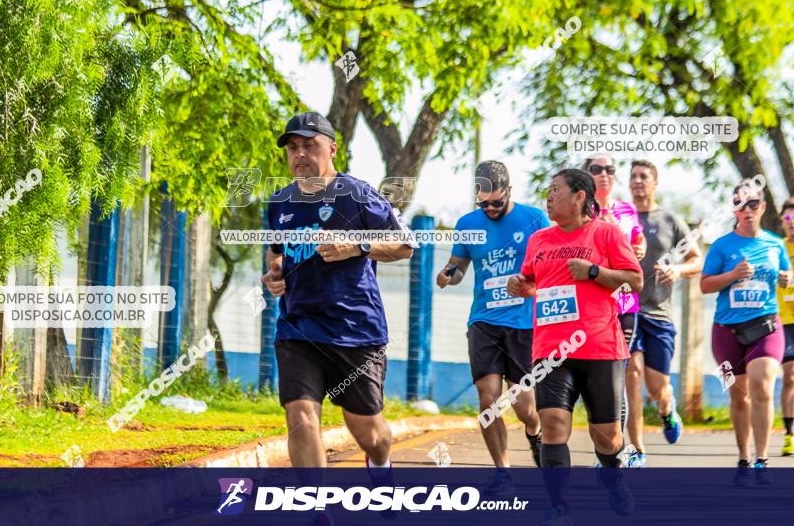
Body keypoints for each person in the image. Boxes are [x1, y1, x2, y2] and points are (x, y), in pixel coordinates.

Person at [261, 111, 415, 474]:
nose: (299, 154)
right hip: (298, 328)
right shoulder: (281, 201)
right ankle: (317, 508)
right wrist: (273, 272)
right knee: (301, 416)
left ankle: (380, 465)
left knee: (369, 433)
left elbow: (405, 245)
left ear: (331, 149)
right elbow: (276, 250)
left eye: (309, 146)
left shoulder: (359, 195)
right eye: (293, 147)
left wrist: (357, 246)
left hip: (354, 329)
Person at [508, 168, 643, 524]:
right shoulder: (539, 240)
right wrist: (522, 285)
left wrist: (595, 272)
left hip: (600, 347)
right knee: (552, 425)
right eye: (548, 190)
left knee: (608, 437)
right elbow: (532, 281)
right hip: (551, 349)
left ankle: (612, 475)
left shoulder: (607, 233)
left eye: (556, 190)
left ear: (580, 196)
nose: (548, 197)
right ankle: (559, 508)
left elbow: (635, 280)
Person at [436, 160, 550, 485]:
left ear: (509, 192)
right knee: (488, 398)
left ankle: (535, 430)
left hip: (523, 323)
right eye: (483, 203)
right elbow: (456, 267)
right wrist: (447, 275)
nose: (490, 209)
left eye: (496, 203)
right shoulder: (467, 224)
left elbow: (549, 267)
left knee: (525, 405)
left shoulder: (534, 219)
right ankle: (502, 471)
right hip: (484, 321)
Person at [700, 182, 791, 483]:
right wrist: (732, 275)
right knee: (738, 396)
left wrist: (785, 279)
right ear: (733, 209)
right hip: (725, 332)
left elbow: (786, 277)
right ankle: (743, 457)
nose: (746, 210)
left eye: (752, 204)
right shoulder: (721, 246)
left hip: (766, 326)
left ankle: (762, 460)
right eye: (739, 204)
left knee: (762, 387)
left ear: (762, 207)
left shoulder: (775, 245)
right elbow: (704, 285)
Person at [625, 159, 702, 466]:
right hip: (627, 311)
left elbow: (697, 259)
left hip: (659, 314)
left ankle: (667, 410)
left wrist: (679, 270)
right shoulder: (620, 219)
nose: (638, 181)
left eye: (644, 176)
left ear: (655, 183)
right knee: (631, 374)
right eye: (634, 176)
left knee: (658, 389)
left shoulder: (670, 220)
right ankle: (637, 450)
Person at [583, 155, 647, 445]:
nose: (604, 174)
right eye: (596, 170)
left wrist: (639, 247)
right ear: (585, 176)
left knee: (616, 373)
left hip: (623, 303)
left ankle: (616, 447)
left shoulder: (625, 208)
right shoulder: (580, 212)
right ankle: (605, 440)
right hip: (590, 305)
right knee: (593, 379)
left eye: (609, 169)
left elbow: (638, 240)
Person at [777, 197, 794, 456]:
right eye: (789, 218)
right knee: (790, 375)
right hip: (783, 321)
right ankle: (790, 434)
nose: (792, 223)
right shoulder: (774, 248)